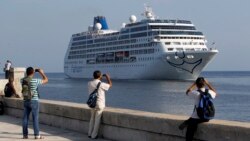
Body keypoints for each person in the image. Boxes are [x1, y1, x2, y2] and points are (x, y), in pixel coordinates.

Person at [179, 77, 217, 141]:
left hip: (196, 118)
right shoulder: (209, 92)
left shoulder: (195, 93)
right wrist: (208, 84)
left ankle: (186, 123)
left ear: (196, 84)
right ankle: (186, 122)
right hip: (206, 117)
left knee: (189, 134)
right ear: (204, 84)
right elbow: (215, 93)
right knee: (191, 119)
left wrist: (193, 84)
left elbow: (187, 91)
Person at [21, 67, 48, 139]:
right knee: (35, 118)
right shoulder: (35, 80)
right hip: (34, 101)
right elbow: (46, 80)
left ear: (26, 72)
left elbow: (26, 76)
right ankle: (37, 135)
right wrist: (41, 72)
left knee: (25, 118)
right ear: (33, 73)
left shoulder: (22, 80)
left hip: (26, 100)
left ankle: (25, 135)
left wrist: (31, 71)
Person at [88, 70, 112, 139]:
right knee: (97, 120)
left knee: (92, 119)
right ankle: (94, 135)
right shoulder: (101, 84)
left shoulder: (89, 83)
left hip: (92, 103)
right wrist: (108, 78)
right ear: (100, 76)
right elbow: (110, 85)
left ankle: (89, 133)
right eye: (101, 75)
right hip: (99, 104)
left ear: (93, 76)